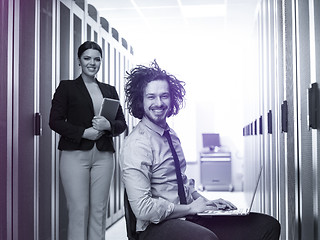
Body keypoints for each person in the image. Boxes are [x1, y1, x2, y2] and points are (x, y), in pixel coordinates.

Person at [120, 60, 280, 240]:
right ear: (140, 100)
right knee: (205, 238)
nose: (159, 103)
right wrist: (190, 208)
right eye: (151, 97)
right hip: (155, 227)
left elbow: (182, 183)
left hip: (187, 216)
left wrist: (206, 202)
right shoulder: (137, 144)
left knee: (267, 226)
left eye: (164, 96)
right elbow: (143, 209)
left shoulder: (170, 135)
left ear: (172, 98)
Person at [49, 41, 127, 240]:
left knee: (99, 211)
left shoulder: (109, 90)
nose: (92, 63)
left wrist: (107, 126)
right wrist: (84, 132)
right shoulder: (66, 87)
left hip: (104, 156)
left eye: (97, 59)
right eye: (87, 58)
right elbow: (54, 121)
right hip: (74, 155)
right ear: (79, 61)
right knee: (79, 210)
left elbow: (121, 123)